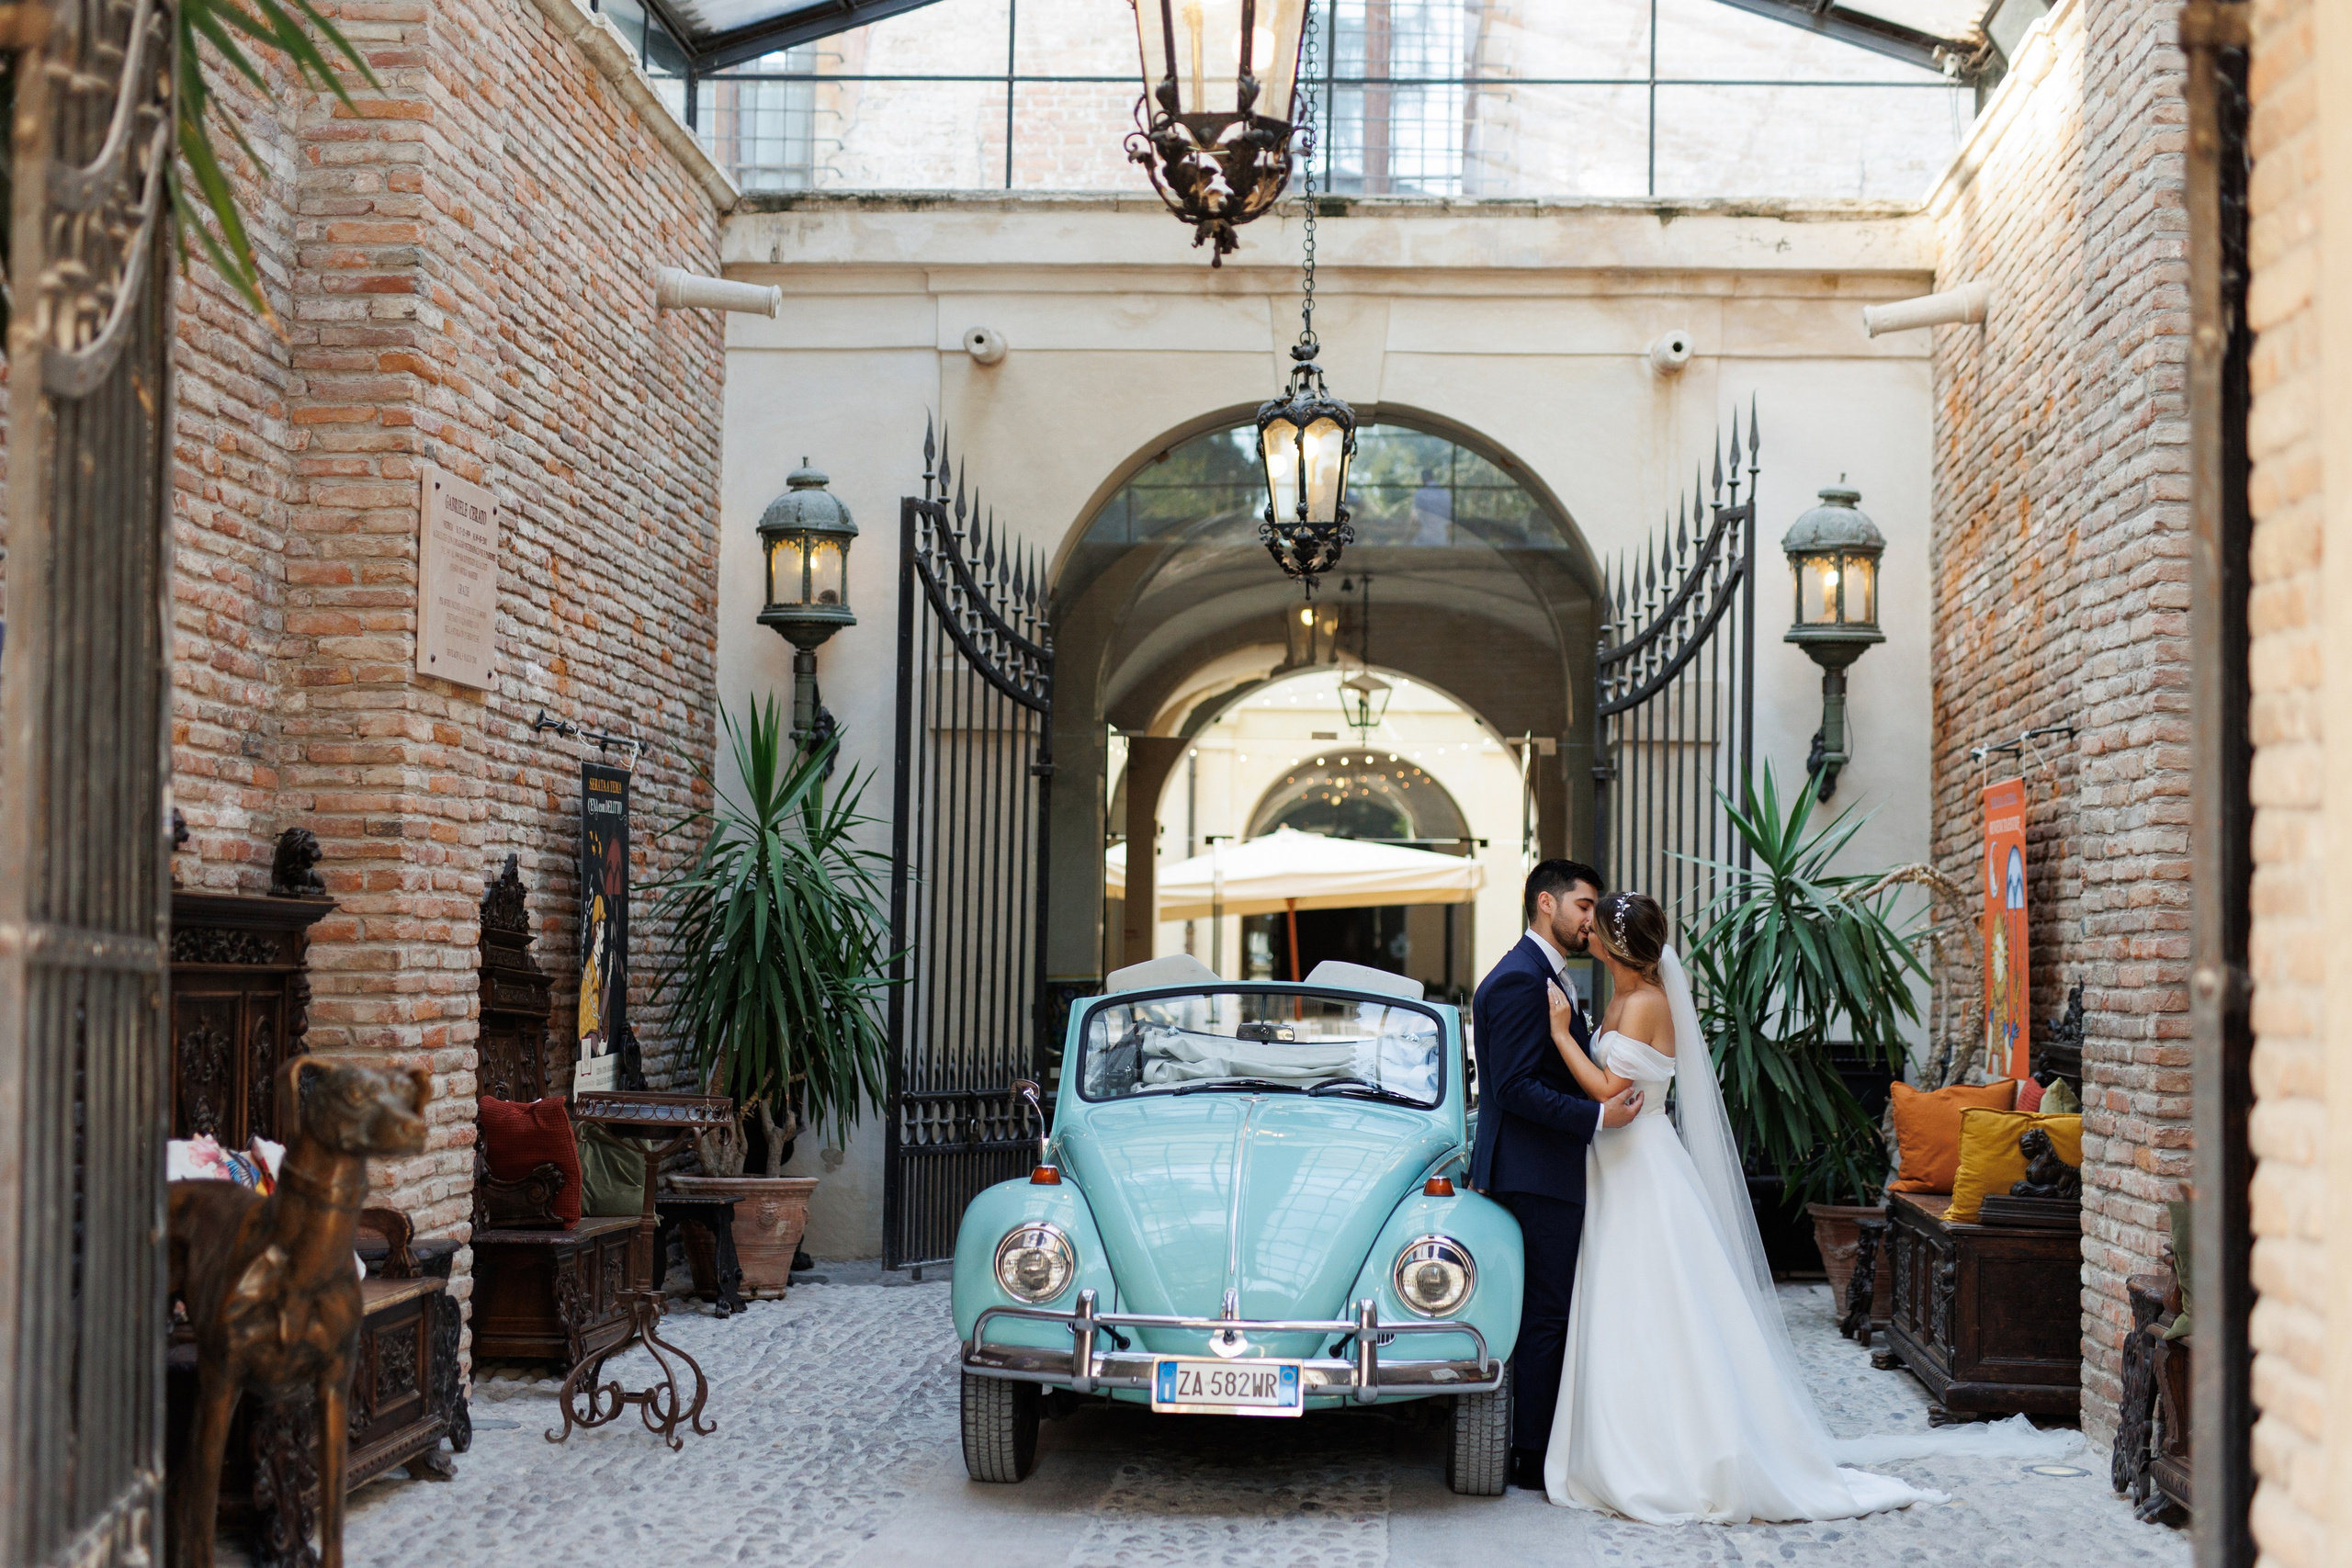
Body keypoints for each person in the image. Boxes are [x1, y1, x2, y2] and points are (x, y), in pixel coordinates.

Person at [1537, 890, 1934, 1522]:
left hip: (1640, 1165)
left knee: (1657, 1303)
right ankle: (1618, 1440)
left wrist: (1560, 1036)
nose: (1587, 934)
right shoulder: (1621, 996)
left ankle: (1675, 1454)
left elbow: (1613, 1092)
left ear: (1617, 947)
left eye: (1598, 930)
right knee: (1621, 1303)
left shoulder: (1644, 1002)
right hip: (1611, 1167)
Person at [1467, 860, 1645, 1494]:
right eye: (1583, 906)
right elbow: (1515, 1087)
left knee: (1546, 1311)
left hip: (1539, 1165)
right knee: (1545, 1314)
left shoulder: (1540, 974)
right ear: (1547, 903)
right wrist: (1596, 1114)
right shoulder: (1522, 980)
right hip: (1535, 1169)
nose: (1591, 920)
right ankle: (1530, 1454)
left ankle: (1534, 1441)